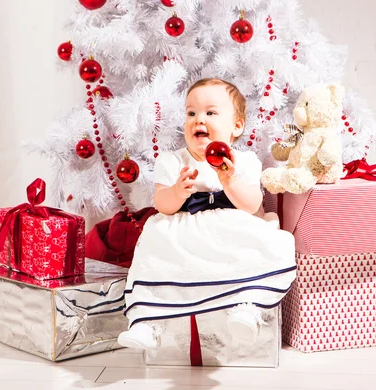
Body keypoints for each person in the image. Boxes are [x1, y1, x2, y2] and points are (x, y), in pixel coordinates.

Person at [117, 78, 297, 350]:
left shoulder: (244, 161)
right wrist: (178, 191)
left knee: (259, 248)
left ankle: (247, 305)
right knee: (154, 253)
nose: (198, 119)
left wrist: (229, 181)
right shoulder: (173, 160)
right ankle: (148, 321)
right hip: (183, 229)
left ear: (236, 125)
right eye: (191, 113)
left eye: (210, 113)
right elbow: (161, 204)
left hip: (232, 227)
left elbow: (252, 205)